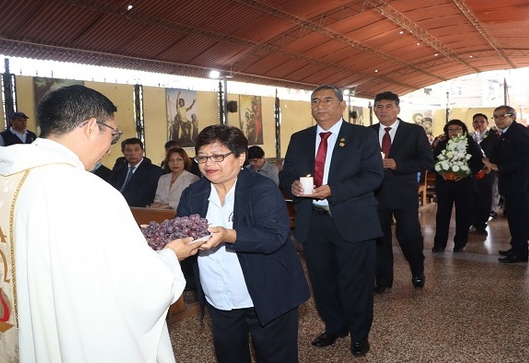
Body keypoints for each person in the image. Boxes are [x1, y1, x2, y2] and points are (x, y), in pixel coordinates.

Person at [0, 85, 200, 362]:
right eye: (112, 134)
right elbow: (137, 285)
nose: (110, 146)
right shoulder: (87, 189)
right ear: (90, 127)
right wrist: (170, 255)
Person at [176, 124, 309, 363]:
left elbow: (274, 236)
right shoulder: (193, 193)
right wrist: (164, 238)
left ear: (240, 158)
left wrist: (228, 235)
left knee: (276, 357)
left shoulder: (261, 188)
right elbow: (182, 231)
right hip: (220, 296)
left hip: (267, 292)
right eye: (203, 157)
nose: (208, 164)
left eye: (218, 156)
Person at [279, 84, 383, 357]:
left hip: (352, 220)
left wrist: (334, 189)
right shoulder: (299, 138)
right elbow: (286, 173)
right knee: (322, 280)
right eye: (315, 101)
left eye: (327, 100)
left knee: (355, 281)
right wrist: (292, 186)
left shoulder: (362, 136)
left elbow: (373, 176)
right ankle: (334, 326)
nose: (320, 106)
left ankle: (359, 335)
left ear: (341, 105)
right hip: (313, 221)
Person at [369, 91, 433, 293]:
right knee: (379, 238)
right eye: (379, 106)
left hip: (403, 193)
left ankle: (417, 271)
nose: (384, 110)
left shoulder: (414, 131)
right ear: (374, 109)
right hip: (374, 194)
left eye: (388, 106)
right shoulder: (367, 133)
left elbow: (427, 161)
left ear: (398, 109)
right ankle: (383, 280)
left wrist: (399, 164)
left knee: (409, 236)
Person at [482, 105, 529, 263]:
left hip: (522, 182)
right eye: (495, 117)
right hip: (513, 182)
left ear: (512, 117)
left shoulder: (520, 132)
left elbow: (525, 158)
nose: (498, 120)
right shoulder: (504, 134)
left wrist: (498, 167)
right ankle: (516, 247)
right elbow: (501, 155)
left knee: (521, 218)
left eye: (502, 116)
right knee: (514, 217)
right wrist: (490, 164)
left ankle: (521, 253)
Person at [432, 119, 484, 252]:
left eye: (458, 129)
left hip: (465, 186)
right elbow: (432, 161)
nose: (454, 132)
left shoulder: (471, 144)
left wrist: (467, 172)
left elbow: (478, 162)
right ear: (446, 132)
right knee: (442, 215)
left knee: (464, 215)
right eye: (451, 130)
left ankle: (460, 243)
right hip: (445, 185)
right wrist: (440, 171)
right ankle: (439, 243)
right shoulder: (442, 144)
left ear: (463, 131)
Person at [110, 137, 164, 207]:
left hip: (139, 209)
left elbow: (145, 195)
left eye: (136, 150)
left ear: (142, 151)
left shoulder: (154, 171)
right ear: (123, 152)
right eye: (128, 150)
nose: (133, 153)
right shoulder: (118, 170)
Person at [469, 113, 499, 234]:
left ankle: (481, 223)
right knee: (471, 197)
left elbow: (497, 154)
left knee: (485, 197)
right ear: (472, 124)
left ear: (487, 123)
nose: (479, 124)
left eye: (482, 121)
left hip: (487, 171)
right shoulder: (468, 137)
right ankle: (470, 220)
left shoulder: (494, 137)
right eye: (476, 121)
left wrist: (491, 165)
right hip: (471, 172)